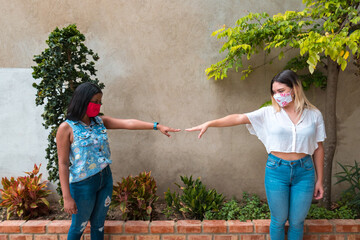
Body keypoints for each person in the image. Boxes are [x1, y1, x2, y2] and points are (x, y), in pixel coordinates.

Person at [186, 70, 325, 240]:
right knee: (279, 220)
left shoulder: (314, 115)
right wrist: (210, 123)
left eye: (281, 91)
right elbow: (238, 118)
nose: (277, 96)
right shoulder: (268, 113)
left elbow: (318, 148)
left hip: (304, 172)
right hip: (277, 171)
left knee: (297, 222)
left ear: (294, 88)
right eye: (274, 92)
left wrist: (319, 180)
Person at [56, 82, 180, 240]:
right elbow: (63, 163)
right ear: (82, 100)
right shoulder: (66, 128)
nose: (98, 106)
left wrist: (157, 126)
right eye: (95, 101)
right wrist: (67, 197)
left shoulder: (100, 121)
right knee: (78, 227)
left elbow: (128, 123)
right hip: (82, 184)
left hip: (104, 179)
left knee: (99, 225)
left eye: (100, 102)